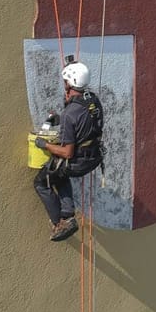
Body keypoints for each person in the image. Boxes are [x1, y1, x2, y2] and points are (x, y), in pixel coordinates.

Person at [33, 58, 105, 241]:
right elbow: (83, 122)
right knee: (59, 173)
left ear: (69, 83)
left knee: (42, 182)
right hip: (94, 156)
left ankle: (59, 223)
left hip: (78, 162)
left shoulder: (70, 114)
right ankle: (67, 211)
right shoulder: (93, 100)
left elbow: (67, 153)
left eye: (65, 81)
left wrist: (44, 144)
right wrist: (62, 120)